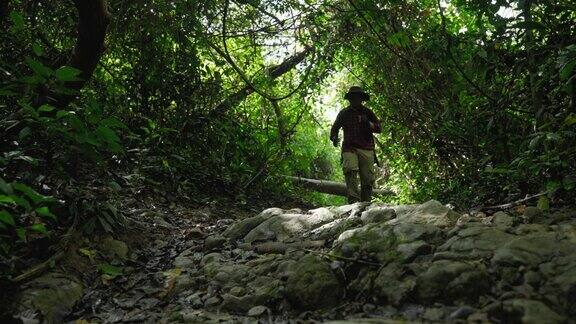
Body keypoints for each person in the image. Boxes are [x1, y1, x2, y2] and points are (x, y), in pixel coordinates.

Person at [330, 86, 381, 203]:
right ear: (349, 99)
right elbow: (335, 128)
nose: (355, 99)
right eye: (353, 97)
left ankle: (366, 203)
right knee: (350, 170)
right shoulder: (344, 113)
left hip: (366, 148)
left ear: (361, 98)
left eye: (357, 97)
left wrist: (368, 123)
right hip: (349, 147)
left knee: (368, 179)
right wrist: (334, 138)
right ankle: (353, 203)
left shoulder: (368, 112)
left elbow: (379, 128)